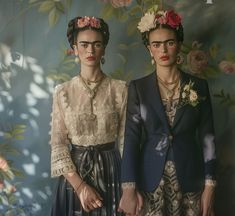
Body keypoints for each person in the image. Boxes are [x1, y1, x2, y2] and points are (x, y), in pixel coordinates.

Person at [118, 9, 216, 216]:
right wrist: (129, 189)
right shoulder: (138, 88)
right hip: (151, 182)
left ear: (179, 44)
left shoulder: (198, 86)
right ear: (149, 49)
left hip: (191, 180)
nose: (163, 49)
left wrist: (210, 187)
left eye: (169, 42)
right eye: (156, 44)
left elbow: (208, 139)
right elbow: (131, 139)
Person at [50, 16, 127, 216]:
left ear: (104, 49)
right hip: (74, 174)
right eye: (84, 45)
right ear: (75, 49)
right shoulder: (63, 91)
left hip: (112, 171)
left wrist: (130, 187)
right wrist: (80, 186)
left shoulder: (120, 89)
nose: (90, 51)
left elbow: (126, 141)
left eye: (96, 44)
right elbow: (58, 144)